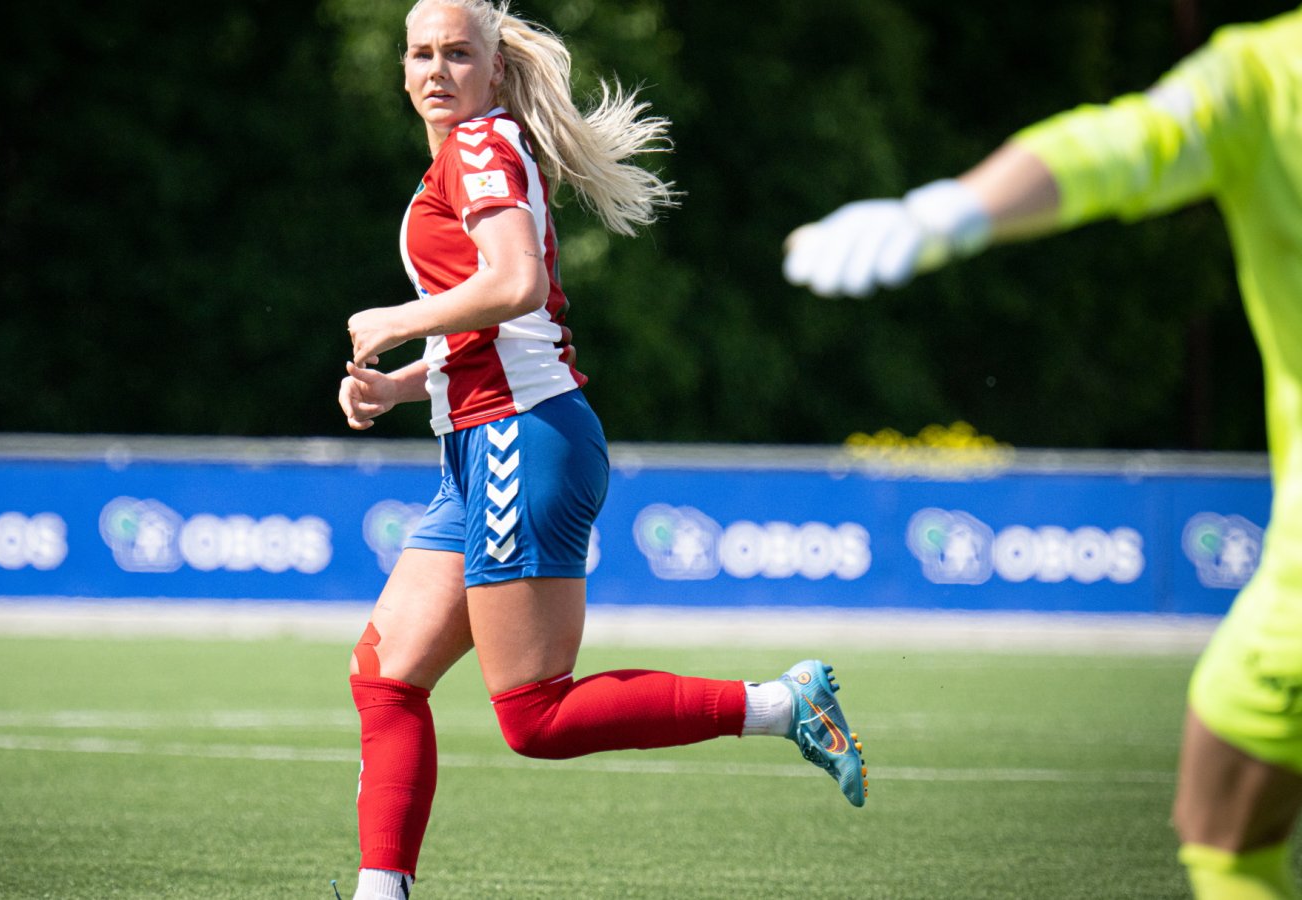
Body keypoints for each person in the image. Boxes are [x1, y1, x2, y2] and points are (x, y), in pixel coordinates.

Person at [336, 2, 867, 897]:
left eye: (458, 53)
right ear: (401, 68)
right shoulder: (468, 152)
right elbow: (505, 326)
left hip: (520, 440)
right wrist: (401, 386)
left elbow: (516, 283)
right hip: (484, 442)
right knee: (385, 676)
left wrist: (397, 320)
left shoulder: (479, 146)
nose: (436, 70)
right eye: (421, 54)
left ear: (494, 69)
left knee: (534, 716)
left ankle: (785, 703)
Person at [782, 9, 1302, 897]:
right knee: (1222, 803)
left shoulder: (1267, 70)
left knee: (1223, 827)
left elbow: (1124, 146)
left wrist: (948, 212)